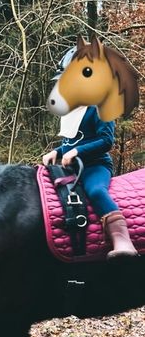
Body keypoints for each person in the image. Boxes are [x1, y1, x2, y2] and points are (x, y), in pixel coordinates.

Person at [43, 48, 138, 259]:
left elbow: (106, 141)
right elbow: (71, 142)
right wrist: (57, 152)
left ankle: (122, 239)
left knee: (95, 191)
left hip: (95, 165)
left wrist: (77, 151)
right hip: (72, 167)